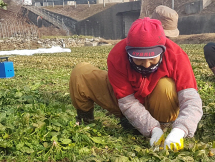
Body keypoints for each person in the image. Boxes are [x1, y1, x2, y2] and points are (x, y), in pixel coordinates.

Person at [69, 18, 203, 151]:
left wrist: (181, 130)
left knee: (166, 85)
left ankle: (163, 125)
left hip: (160, 106)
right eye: (139, 59)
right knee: (81, 73)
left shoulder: (176, 55)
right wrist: (152, 129)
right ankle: (85, 119)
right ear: (129, 51)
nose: (146, 64)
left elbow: (191, 99)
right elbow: (127, 101)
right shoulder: (117, 55)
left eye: (152, 58)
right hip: (125, 103)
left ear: (162, 50)